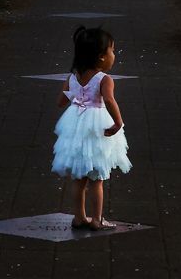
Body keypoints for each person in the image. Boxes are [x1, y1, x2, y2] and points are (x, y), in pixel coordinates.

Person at [52, 26, 131, 230]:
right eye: (112, 51)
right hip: (97, 126)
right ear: (101, 57)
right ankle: (97, 219)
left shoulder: (73, 76)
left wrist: (75, 96)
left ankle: (79, 217)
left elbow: (61, 102)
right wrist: (118, 122)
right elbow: (110, 101)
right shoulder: (104, 79)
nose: (114, 55)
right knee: (97, 179)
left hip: (76, 124)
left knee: (79, 179)